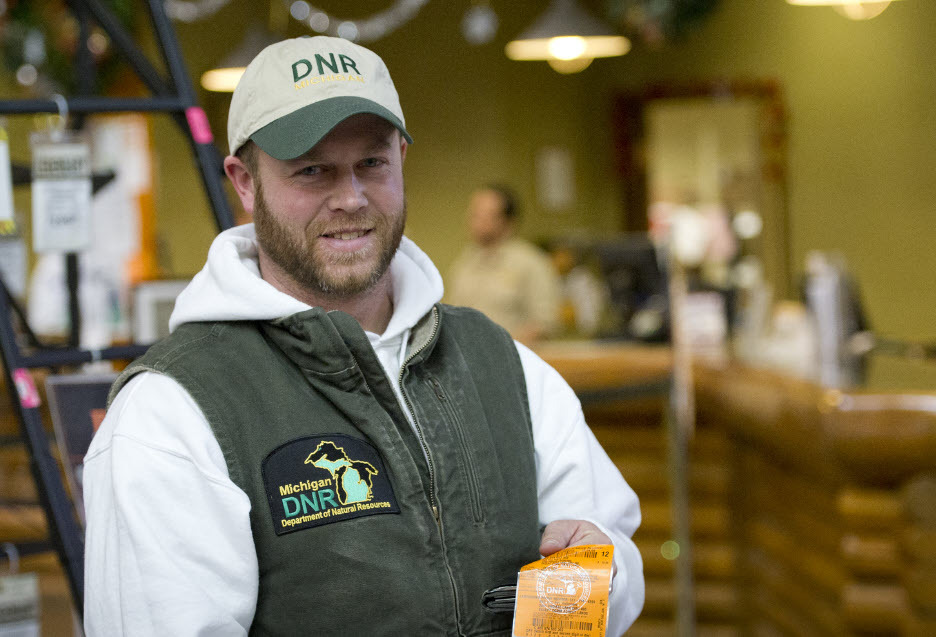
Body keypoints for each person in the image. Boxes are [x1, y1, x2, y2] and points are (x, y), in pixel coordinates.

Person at [82, 36, 643, 636]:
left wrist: (592, 576)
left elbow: (611, 565)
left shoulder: (504, 364)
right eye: (312, 170)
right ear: (245, 183)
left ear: (401, 156)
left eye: (371, 163)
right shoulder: (173, 412)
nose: (349, 198)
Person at [446, 185, 562, 344]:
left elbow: (544, 323)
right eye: (473, 214)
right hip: (470, 362)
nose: (474, 221)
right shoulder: (464, 265)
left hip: (514, 360)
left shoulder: (530, 262)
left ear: (507, 221)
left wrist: (501, 350)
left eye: (484, 215)